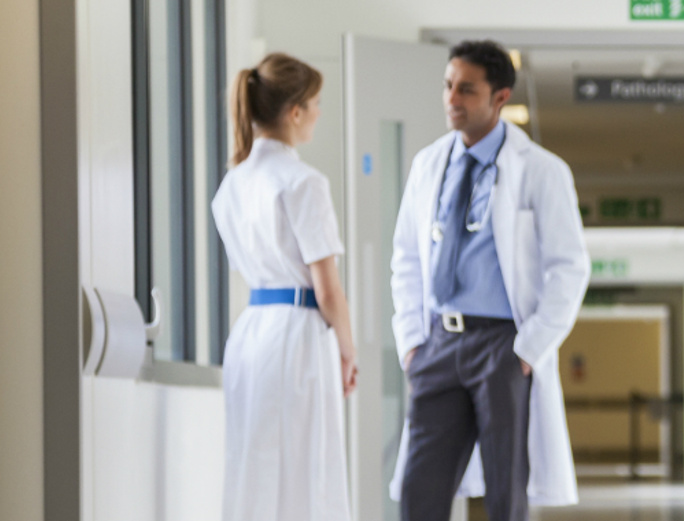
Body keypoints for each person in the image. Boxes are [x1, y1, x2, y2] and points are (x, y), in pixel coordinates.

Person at [388, 40, 591, 520]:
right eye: (448, 86)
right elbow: (406, 259)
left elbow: (569, 267)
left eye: (467, 90)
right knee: (421, 490)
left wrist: (528, 349)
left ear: (500, 97)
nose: (451, 99)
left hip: (502, 345)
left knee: (506, 492)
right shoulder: (428, 165)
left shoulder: (542, 170)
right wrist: (412, 343)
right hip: (437, 344)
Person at [214, 53, 356, 521]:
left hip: (252, 332)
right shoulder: (303, 182)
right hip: (298, 335)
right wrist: (348, 351)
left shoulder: (232, 185)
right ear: (295, 112)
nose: (318, 114)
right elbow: (328, 290)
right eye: (314, 104)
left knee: (252, 469)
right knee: (305, 472)